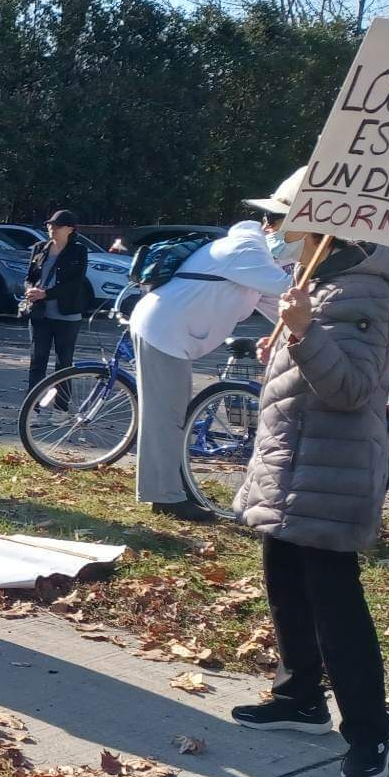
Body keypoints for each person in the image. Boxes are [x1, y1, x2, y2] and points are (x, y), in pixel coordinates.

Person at [231, 232, 389, 777]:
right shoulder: (320, 281)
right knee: (285, 584)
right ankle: (300, 698)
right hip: (294, 462)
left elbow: (353, 389)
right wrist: (287, 349)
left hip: (332, 470)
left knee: (335, 603)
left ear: (330, 230)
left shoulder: (366, 291)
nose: (282, 237)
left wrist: (304, 331)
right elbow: (314, 376)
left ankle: (369, 732)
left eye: (293, 227)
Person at [127, 179, 296, 521]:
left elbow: (279, 306)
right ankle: (166, 498)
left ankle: (172, 486)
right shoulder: (246, 251)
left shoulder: (254, 260)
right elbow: (288, 289)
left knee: (171, 415)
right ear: (273, 227)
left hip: (170, 332)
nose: (299, 246)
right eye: (299, 236)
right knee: (166, 417)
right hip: (164, 332)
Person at [23, 210, 91, 393]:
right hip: (40, 314)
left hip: (67, 315)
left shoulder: (79, 251)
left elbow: (75, 284)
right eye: (50, 225)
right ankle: (33, 410)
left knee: (64, 364)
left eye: (57, 226)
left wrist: (47, 294)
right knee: (37, 361)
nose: (52, 229)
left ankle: (61, 409)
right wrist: (30, 290)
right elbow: (29, 277)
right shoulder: (39, 247)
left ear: (70, 229)